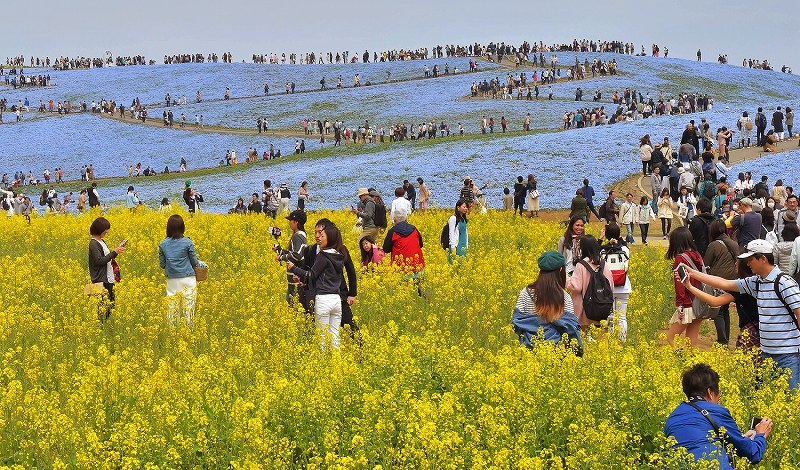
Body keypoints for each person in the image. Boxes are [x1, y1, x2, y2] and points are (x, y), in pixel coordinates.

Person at [685, 239, 800, 389]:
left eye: (750, 259)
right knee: (768, 398)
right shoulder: (756, 282)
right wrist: (693, 273)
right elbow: (724, 283)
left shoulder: (784, 282)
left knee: (792, 401)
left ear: (763, 259)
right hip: (766, 353)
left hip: (788, 354)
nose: (748, 264)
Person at [664, 364, 772, 470]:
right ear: (710, 392)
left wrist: (739, 439)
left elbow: (695, 442)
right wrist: (761, 435)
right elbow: (753, 454)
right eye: (719, 394)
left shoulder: (672, 418)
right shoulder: (716, 411)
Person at [288, 220, 348, 349]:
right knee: (335, 336)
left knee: (322, 337)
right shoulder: (339, 255)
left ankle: (324, 363)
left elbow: (311, 275)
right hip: (336, 300)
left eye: (322, 236)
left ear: (330, 238)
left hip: (324, 299)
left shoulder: (323, 255)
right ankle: (336, 364)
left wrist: (294, 268)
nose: (318, 238)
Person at [511, 250, 583, 355]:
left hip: (529, 351)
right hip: (556, 353)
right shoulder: (564, 297)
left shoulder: (526, 292)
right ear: (561, 270)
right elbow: (571, 328)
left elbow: (517, 323)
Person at [702, 219, 740, 345]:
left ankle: (722, 340)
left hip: (718, 281)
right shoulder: (734, 243)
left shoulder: (713, 245)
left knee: (717, 310)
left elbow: (706, 264)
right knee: (725, 309)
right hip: (732, 280)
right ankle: (726, 338)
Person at [666, 227, 705, 346]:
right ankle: (691, 362)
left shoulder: (680, 258)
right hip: (699, 302)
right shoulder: (696, 254)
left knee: (671, 338)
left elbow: (680, 284)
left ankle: (681, 359)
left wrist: (680, 305)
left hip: (687, 304)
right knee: (691, 343)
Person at [159, 215, 200, 325]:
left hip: (172, 280)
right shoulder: (188, 242)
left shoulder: (163, 244)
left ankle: (172, 333)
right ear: (182, 227)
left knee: (172, 307)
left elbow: (162, 265)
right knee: (189, 307)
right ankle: (188, 331)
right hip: (188, 278)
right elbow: (194, 263)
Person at [567, 235, 614, 330]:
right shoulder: (603, 263)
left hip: (583, 306)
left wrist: (566, 279)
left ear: (582, 248)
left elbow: (576, 287)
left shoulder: (581, 265)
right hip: (601, 304)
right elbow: (610, 286)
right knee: (602, 335)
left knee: (582, 335)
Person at [88, 217, 126, 321]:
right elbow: (99, 261)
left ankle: (103, 326)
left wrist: (117, 251)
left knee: (111, 305)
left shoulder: (101, 241)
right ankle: (100, 327)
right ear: (99, 229)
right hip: (101, 279)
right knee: (103, 307)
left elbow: (107, 258)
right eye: (105, 230)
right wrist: (114, 252)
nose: (107, 232)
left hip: (109, 278)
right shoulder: (93, 244)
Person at [600, 224, 631, 340]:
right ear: (618, 235)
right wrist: (619, 237)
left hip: (608, 288)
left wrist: (601, 238)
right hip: (623, 288)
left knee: (610, 316)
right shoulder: (625, 250)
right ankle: (621, 341)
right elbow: (624, 246)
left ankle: (611, 341)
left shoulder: (603, 251)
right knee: (622, 317)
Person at [275, 210, 308, 306]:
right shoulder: (301, 235)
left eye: (291, 220)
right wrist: (279, 250)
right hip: (294, 277)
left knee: (293, 305)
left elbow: (297, 255)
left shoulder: (297, 236)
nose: (289, 223)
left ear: (296, 222)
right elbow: (293, 254)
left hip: (295, 277)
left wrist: (281, 257)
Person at [447, 199, 469, 264]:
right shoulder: (453, 218)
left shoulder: (463, 219)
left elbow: (465, 233)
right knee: (455, 265)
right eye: (464, 207)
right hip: (457, 246)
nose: (466, 208)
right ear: (458, 207)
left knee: (462, 264)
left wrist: (467, 246)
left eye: (466, 207)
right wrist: (453, 247)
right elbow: (451, 233)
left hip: (463, 245)